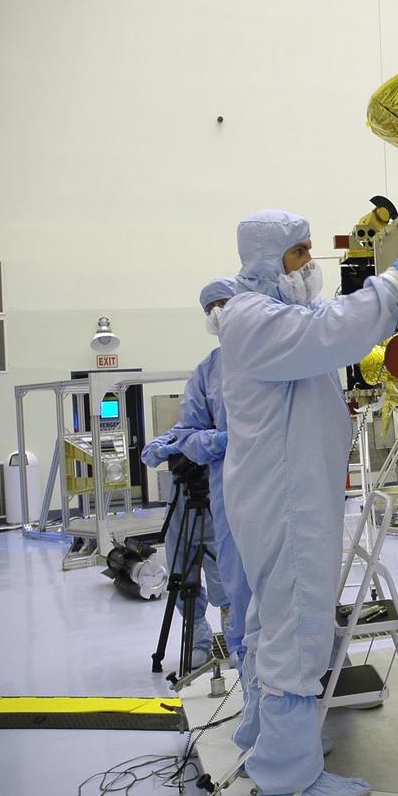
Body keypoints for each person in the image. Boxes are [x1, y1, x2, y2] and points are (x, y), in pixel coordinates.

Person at [219, 209, 398, 796]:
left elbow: (326, 332)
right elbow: (333, 331)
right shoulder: (256, 320)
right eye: (299, 253)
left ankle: (266, 736)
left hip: (282, 493)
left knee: (272, 617)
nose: (308, 264)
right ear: (267, 260)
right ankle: (289, 777)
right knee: (297, 625)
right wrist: (397, 280)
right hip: (287, 500)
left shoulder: (269, 315)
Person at [142, 278, 251, 675]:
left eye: (225, 303)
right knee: (186, 570)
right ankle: (200, 643)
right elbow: (187, 432)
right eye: (211, 308)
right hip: (207, 494)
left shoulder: (270, 356)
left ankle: (242, 641)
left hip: (252, 491)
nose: (219, 312)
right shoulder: (208, 370)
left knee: (236, 577)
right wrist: (221, 440)